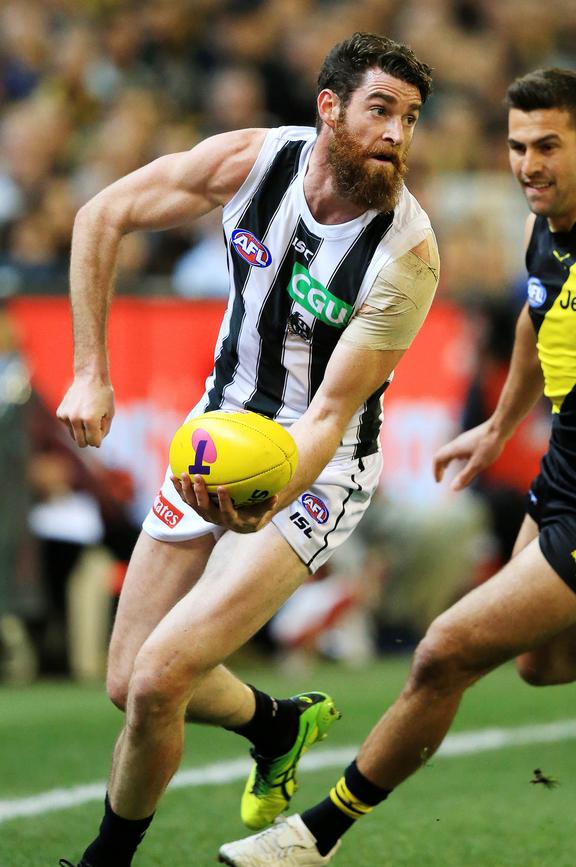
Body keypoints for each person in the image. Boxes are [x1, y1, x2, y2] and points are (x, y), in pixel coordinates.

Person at [218, 67, 576, 866]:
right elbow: (538, 316)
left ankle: (315, 835)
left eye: (548, 145)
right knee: (551, 660)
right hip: (564, 477)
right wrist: (495, 426)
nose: (529, 164)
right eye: (518, 146)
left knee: (444, 650)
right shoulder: (552, 219)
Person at [55, 32, 438, 867]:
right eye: (381, 110)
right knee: (127, 681)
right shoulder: (253, 163)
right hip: (217, 428)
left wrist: (264, 492)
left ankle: (103, 861)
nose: (396, 135)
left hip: (315, 470)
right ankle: (278, 721)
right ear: (328, 107)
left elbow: (331, 415)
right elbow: (101, 214)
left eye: (411, 118)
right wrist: (92, 372)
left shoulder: (406, 257)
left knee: (160, 679)